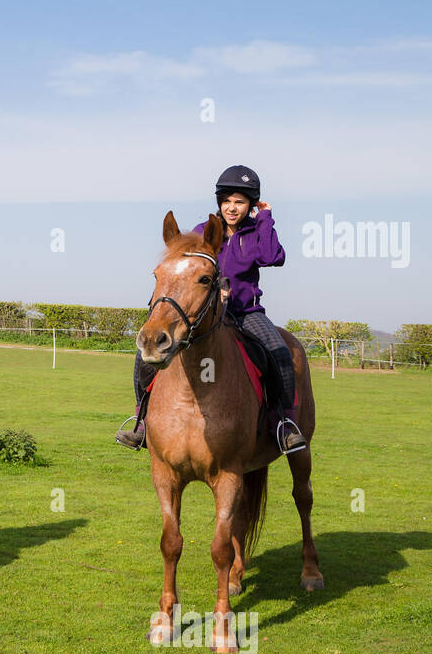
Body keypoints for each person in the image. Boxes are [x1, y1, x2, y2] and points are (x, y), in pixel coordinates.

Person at [116, 165, 307, 454]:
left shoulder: (257, 232)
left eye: (240, 202)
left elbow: (272, 256)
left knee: (278, 351)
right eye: (227, 201)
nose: (232, 208)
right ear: (219, 202)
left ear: (251, 205)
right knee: (144, 355)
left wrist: (265, 217)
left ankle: (284, 423)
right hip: (205, 315)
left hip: (245, 313)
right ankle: (140, 419)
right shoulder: (202, 232)